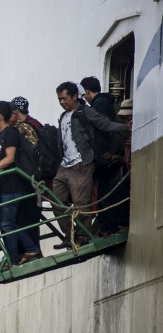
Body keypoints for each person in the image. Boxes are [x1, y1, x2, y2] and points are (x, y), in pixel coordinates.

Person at [52, 81, 130, 248]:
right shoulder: (63, 116)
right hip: (65, 166)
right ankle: (69, 235)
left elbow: (105, 124)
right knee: (56, 200)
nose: (62, 102)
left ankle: (82, 236)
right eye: (59, 99)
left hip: (82, 164)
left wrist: (126, 128)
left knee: (81, 204)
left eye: (65, 98)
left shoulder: (85, 111)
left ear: (74, 96)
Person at [0, 101, 41, 268]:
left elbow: (10, 158)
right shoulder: (2, 135)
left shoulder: (10, 133)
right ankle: (17, 255)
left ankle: (22, 253)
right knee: (7, 223)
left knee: (7, 223)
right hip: (6, 187)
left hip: (14, 187)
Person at [81, 76, 128, 236]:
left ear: (87, 92)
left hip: (106, 156)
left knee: (106, 192)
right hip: (108, 154)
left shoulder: (99, 104)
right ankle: (106, 226)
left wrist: (105, 155)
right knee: (104, 192)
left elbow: (102, 132)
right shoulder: (104, 103)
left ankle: (110, 226)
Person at [9, 98, 44, 253]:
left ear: (15, 112)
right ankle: (30, 251)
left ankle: (32, 251)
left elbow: (30, 157)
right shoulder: (32, 124)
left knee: (27, 218)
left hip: (29, 180)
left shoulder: (24, 128)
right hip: (32, 180)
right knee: (26, 218)